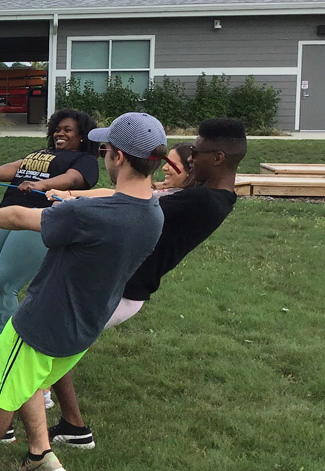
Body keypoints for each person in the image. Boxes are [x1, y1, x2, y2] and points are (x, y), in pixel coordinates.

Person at [0, 112, 167, 471]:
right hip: (84, 323)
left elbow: (20, 217)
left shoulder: (91, 215)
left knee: (0, 386)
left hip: (45, 320)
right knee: (16, 363)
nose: (104, 154)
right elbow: (113, 196)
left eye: (106, 149)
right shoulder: (152, 211)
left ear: (118, 158)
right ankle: (40, 454)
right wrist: (71, 196)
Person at [41, 118, 246, 449]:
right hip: (121, 287)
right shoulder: (210, 196)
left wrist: (72, 200)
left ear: (219, 157)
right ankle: (72, 426)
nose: (190, 157)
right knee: (56, 345)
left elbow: (127, 201)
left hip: (123, 293)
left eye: (195, 151)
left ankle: (3, 433)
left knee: (39, 353)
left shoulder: (201, 201)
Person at [0, 110, 99, 381]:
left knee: (3, 285)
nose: (60, 133)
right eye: (58, 129)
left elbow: (72, 180)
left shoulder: (85, 159)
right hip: (6, 215)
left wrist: (42, 184)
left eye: (68, 130)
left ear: (82, 136)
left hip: (38, 221)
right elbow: (16, 166)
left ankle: (3, 358)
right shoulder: (40, 153)